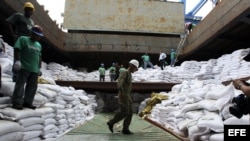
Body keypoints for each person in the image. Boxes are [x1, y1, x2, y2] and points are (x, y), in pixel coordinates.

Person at [12, 25, 43, 110]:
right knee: (20, 85)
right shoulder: (23, 39)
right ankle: (17, 102)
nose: (37, 37)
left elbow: (39, 57)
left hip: (34, 69)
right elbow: (17, 49)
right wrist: (17, 61)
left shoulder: (39, 45)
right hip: (24, 67)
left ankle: (28, 102)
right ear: (32, 33)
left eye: (39, 36)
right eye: (36, 35)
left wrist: (39, 68)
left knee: (32, 87)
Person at [107, 59, 139, 135]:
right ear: (131, 66)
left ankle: (125, 129)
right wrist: (122, 93)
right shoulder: (125, 72)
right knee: (125, 112)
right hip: (123, 95)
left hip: (127, 96)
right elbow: (120, 82)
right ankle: (111, 122)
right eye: (135, 68)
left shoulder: (129, 74)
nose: (135, 70)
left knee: (130, 113)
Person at [6, 2, 35, 82]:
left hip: (28, 41)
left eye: (31, 10)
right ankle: (15, 76)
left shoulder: (31, 21)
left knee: (25, 58)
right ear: (25, 10)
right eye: (28, 10)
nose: (30, 12)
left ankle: (23, 76)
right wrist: (13, 34)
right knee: (17, 58)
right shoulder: (18, 16)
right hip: (20, 38)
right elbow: (9, 22)